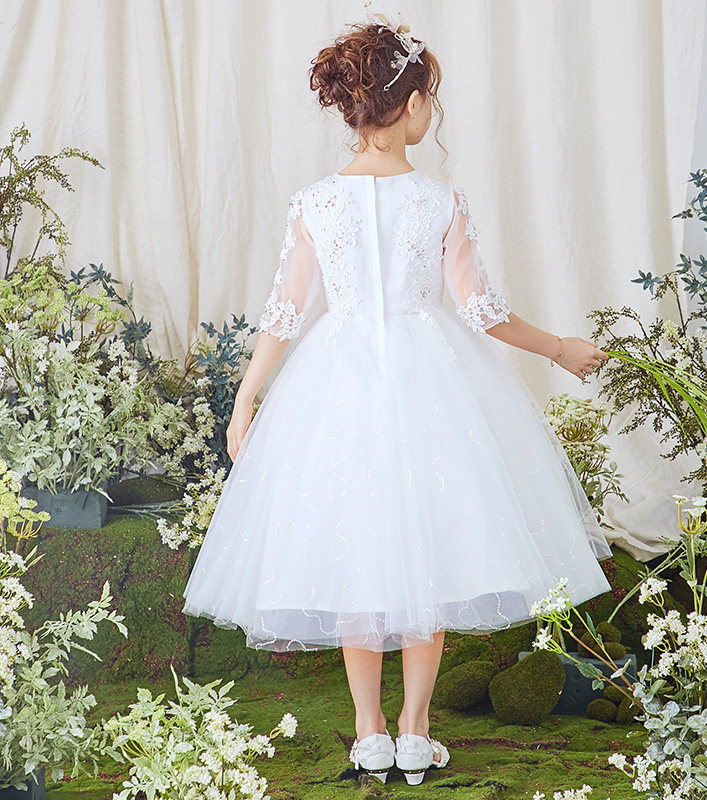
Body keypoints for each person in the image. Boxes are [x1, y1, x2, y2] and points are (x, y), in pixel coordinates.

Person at [181, 9, 613, 786]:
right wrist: (560, 349)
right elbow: (481, 311)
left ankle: (370, 732)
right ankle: (415, 730)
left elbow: (284, 314)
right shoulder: (439, 201)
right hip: (430, 385)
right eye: (429, 98)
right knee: (426, 554)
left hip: (335, 386)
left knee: (359, 553)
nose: (431, 112)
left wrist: (246, 400)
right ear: (410, 104)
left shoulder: (315, 202)